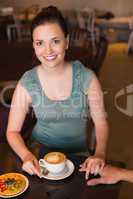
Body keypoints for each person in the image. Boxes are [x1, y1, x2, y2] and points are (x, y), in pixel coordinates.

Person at [6, 6, 108, 177]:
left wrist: (99, 153)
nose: (48, 51)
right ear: (34, 46)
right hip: (39, 157)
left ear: (66, 42)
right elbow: (12, 131)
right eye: (40, 43)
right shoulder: (28, 82)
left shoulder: (86, 77)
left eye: (55, 41)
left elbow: (101, 123)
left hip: (78, 159)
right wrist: (26, 155)